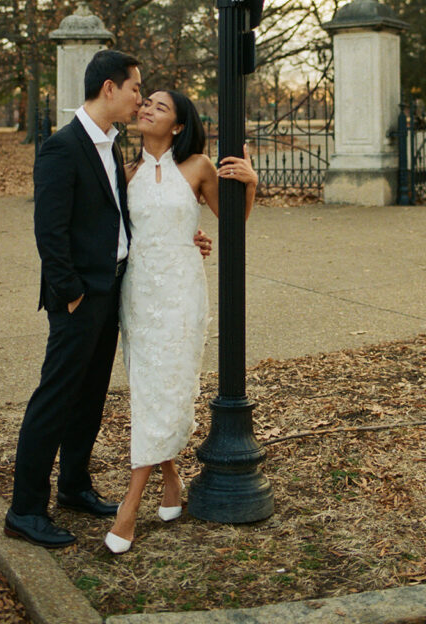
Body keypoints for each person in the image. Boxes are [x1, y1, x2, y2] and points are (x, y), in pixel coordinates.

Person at [4, 52, 211, 548]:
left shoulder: (113, 148)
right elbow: (49, 233)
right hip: (80, 297)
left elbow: (125, 218)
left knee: (90, 398)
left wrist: (188, 238)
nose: (141, 98)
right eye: (136, 88)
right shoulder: (62, 147)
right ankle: (25, 510)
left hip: (118, 290)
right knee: (54, 399)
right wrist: (71, 294)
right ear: (110, 89)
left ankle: (74, 487)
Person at [104, 89, 257, 554]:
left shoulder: (198, 167)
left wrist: (250, 183)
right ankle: (170, 480)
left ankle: (129, 508)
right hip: (138, 292)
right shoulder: (124, 172)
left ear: (177, 125)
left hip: (182, 292)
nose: (147, 108)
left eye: (159, 107)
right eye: (145, 101)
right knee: (149, 389)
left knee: (169, 385)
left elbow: (231, 221)